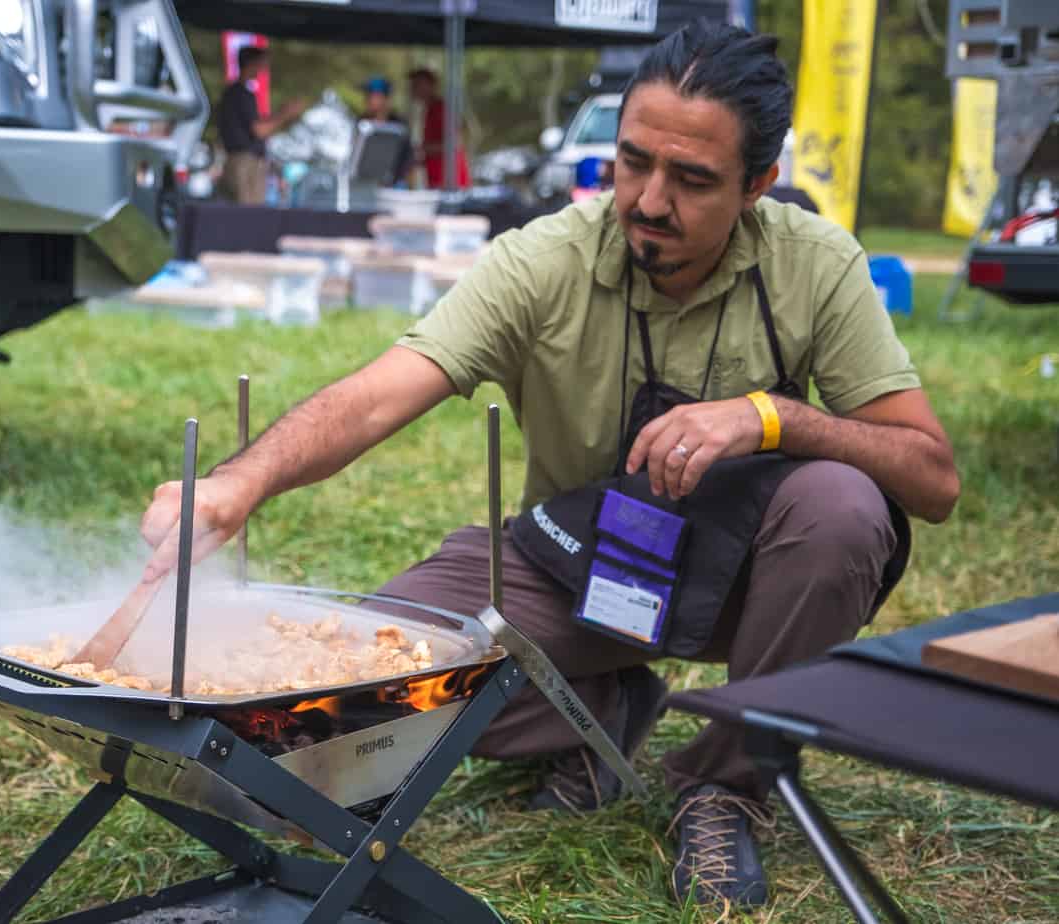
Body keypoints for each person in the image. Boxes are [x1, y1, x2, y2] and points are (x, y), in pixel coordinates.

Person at [139, 22, 959, 909]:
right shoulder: (543, 260)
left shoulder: (816, 265)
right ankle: (603, 710)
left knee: (843, 506)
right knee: (376, 683)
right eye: (633, 162)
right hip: (573, 565)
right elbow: (378, 395)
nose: (649, 201)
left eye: (692, 180)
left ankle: (727, 784)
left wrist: (776, 418)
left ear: (757, 183)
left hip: (745, 579)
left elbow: (932, 478)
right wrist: (240, 481)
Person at [215, 46, 307, 204]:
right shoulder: (240, 93)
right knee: (249, 212)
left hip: (243, 161)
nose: (264, 68)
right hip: (245, 163)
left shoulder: (236, 92)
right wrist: (285, 114)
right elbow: (259, 130)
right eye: (262, 63)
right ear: (252, 63)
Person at [408, 67, 470, 189]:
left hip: (451, 184)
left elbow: (455, 143)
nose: (413, 88)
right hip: (437, 182)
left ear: (431, 86)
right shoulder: (429, 111)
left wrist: (420, 148)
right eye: (413, 84)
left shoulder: (441, 109)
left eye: (418, 84)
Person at [360, 76, 411, 187]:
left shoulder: (399, 125)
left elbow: (407, 158)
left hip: (393, 186)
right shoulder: (361, 123)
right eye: (367, 95)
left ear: (385, 98)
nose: (367, 100)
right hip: (364, 184)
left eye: (372, 96)